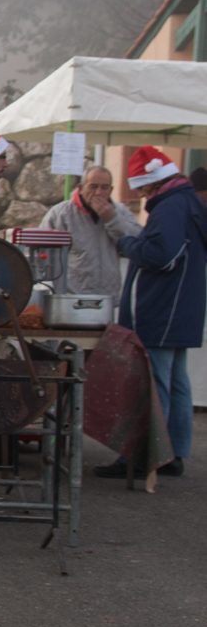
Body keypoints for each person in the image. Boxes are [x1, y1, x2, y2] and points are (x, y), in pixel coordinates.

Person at [103, 147, 207, 479]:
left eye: (144, 189)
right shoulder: (190, 202)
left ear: (154, 183)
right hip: (182, 309)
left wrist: (127, 244)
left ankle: (148, 456)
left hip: (163, 310)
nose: (143, 195)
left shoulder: (171, 206)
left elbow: (162, 255)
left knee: (155, 384)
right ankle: (173, 453)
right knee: (177, 382)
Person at [38, 164, 141, 298]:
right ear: (81, 188)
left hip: (107, 298)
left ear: (111, 190)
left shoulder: (120, 211)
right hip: (71, 297)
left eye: (104, 188)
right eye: (93, 187)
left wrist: (112, 219)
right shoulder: (61, 213)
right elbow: (43, 254)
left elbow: (139, 240)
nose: (98, 193)